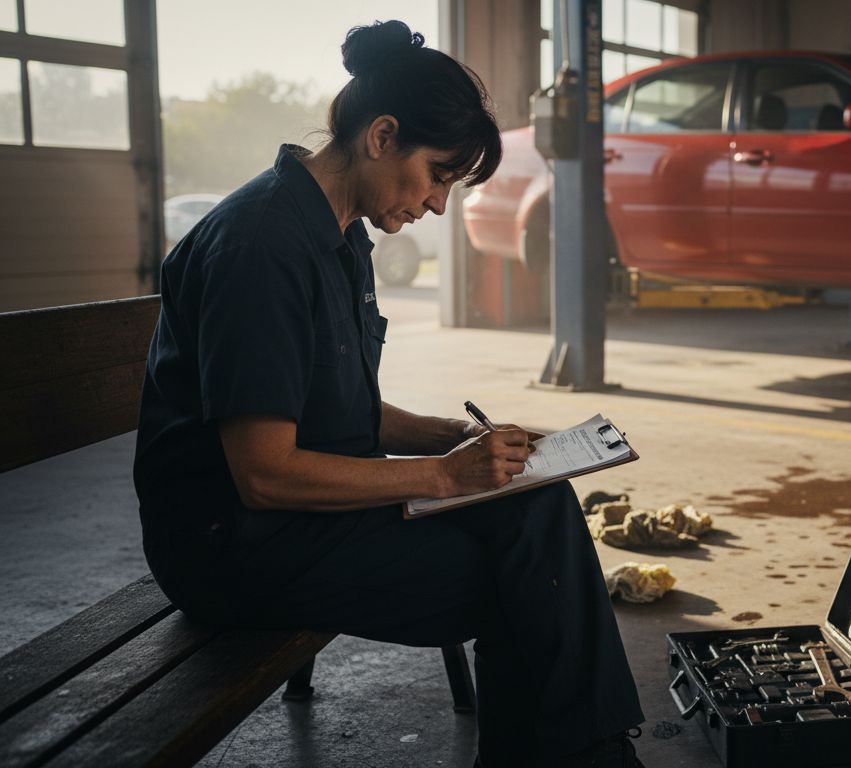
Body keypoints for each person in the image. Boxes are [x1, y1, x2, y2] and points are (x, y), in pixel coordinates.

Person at [133, 20, 645, 767]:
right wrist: (442, 477)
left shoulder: (340, 233)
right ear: (381, 137)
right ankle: (592, 757)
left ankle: (585, 754)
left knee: (537, 505)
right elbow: (264, 472)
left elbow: (336, 405)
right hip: (234, 546)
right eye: (439, 174)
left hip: (315, 519)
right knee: (530, 585)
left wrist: (454, 440)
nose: (439, 204)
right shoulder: (262, 247)